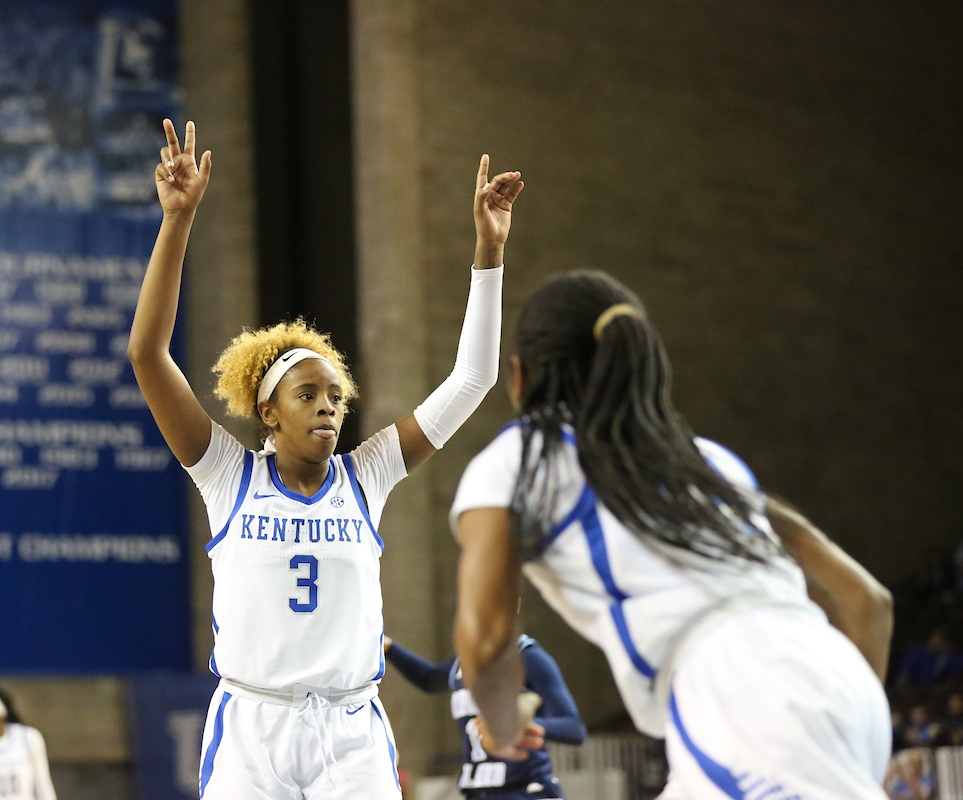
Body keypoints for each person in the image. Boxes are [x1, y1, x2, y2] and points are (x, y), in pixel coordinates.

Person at [128, 118, 523, 799]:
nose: (328, 408)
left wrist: (489, 254)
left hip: (348, 730)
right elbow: (147, 355)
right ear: (268, 411)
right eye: (307, 395)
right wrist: (178, 221)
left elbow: (473, 379)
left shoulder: (367, 475)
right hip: (253, 726)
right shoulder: (229, 475)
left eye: (337, 397)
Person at [448, 270, 895, 799]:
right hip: (837, 681)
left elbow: (486, 643)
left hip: (742, 692)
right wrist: (833, 713)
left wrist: (504, 727)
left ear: (519, 376)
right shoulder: (711, 464)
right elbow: (868, 602)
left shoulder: (520, 459)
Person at [383, 631, 585, 798]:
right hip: (479, 792)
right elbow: (429, 679)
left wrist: (528, 725)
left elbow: (574, 727)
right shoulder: (465, 660)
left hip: (525, 790)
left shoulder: (528, 656)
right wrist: (389, 647)